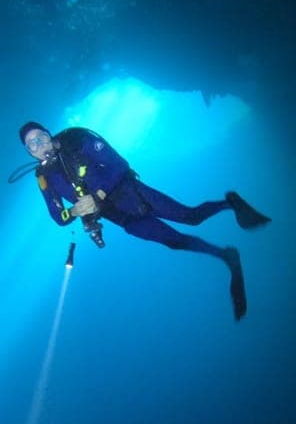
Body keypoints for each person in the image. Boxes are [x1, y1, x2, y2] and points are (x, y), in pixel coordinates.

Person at [18, 121, 271, 320]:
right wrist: (74, 211)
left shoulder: (76, 140)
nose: (39, 144)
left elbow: (118, 164)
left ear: (49, 133)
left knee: (191, 217)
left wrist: (98, 196)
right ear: (29, 152)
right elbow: (58, 217)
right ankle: (226, 256)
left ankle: (230, 202)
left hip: (135, 194)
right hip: (123, 218)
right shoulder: (43, 177)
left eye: (40, 136)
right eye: (31, 144)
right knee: (175, 242)